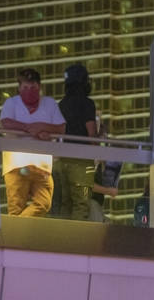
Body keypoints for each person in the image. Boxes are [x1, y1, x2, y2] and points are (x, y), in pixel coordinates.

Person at [0, 67, 65, 217]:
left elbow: (61, 127)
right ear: (19, 88)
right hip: (16, 165)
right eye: (25, 87)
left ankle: (14, 233)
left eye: (33, 87)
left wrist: (40, 127)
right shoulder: (12, 103)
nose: (29, 90)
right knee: (15, 208)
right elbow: (6, 123)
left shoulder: (49, 103)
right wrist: (30, 129)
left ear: (39, 87)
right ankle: (17, 237)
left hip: (42, 166)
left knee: (44, 203)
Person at [56, 63, 99, 220]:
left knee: (65, 204)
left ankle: (63, 241)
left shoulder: (61, 105)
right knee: (82, 204)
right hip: (82, 162)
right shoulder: (87, 103)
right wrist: (102, 136)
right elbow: (92, 134)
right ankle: (77, 242)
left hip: (63, 161)